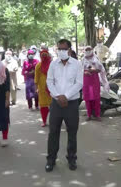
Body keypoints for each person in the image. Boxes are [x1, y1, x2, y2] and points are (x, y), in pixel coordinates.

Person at [45, 39, 83, 172]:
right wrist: (58, 96)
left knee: (72, 132)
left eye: (64, 49)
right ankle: (51, 159)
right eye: (59, 49)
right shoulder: (53, 64)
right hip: (56, 103)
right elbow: (49, 82)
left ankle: (72, 158)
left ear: (69, 50)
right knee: (53, 132)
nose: (61, 51)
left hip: (71, 103)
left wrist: (66, 96)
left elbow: (79, 83)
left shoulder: (77, 64)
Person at [82, 46, 109, 122]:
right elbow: (80, 70)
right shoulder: (83, 60)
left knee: (96, 98)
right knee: (88, 98)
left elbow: (101, 69)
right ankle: (89, 115)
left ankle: (97, 115)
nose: (88, 51)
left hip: (94, 80)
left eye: (89, 50)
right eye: (86, 50)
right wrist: (86, 72)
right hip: (86, 80)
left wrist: (94, 70)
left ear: (92, 50)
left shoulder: (95, 59)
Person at [35, 50, 52, 127]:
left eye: (46, 55)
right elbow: (36, 77)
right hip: (42, 88)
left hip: (52, 87)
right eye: (43, 55)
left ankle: (55, 121)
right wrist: (36, 88)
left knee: (53, 105)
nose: (44, 57)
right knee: (43, 106)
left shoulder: (52, 65)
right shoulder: (38, 65)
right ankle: (44, 121)